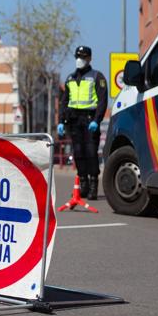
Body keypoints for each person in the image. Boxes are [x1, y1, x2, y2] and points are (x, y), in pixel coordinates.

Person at [58, 46, 108, 200]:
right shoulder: (70, 79)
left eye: (83, 57)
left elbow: (102, 101)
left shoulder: (97, 77)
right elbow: (64, 102)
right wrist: (61, 121)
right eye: (78, 57)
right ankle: (83, 185)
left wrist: (97, 120)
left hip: (89, 120)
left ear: (90, 59)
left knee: (91, 152)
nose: (80, 60)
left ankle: (93, 186)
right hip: (74, 121)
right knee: (78, 153)